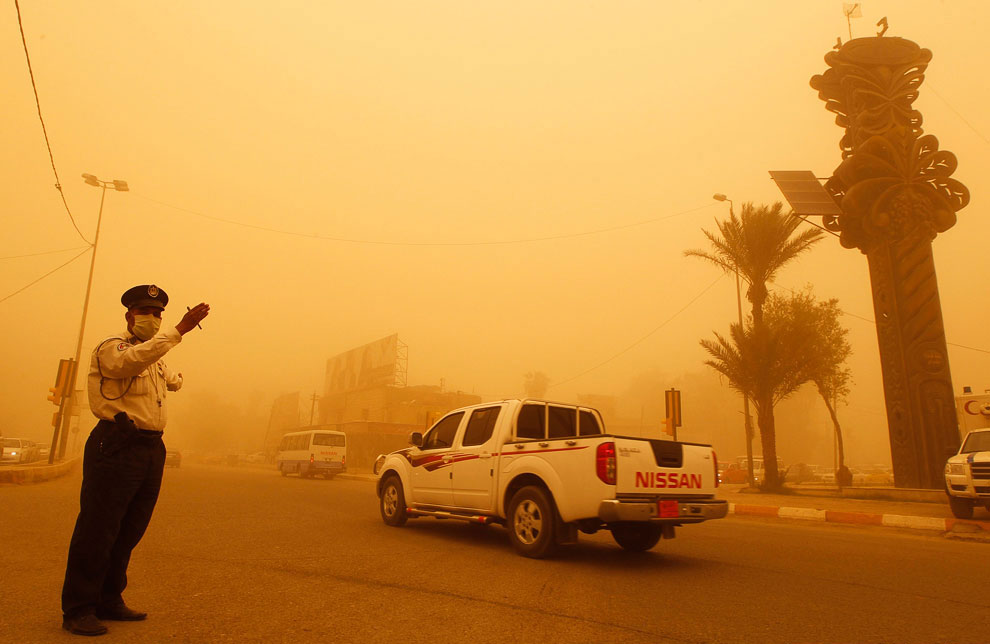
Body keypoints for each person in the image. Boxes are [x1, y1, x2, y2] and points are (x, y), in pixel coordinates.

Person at [61, 284, 209, 636]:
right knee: (99, 529)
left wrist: (177, 378)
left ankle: (109, 599)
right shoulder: (113, 347)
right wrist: (179, 330)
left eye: (158, 313)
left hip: (150, 448)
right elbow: (130, 362)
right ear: (129, 315)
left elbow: (169, 380)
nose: (154, 318)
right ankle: (78, 608)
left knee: (129, 529)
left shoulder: (154, 357)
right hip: (117, 443)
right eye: (145, 312)